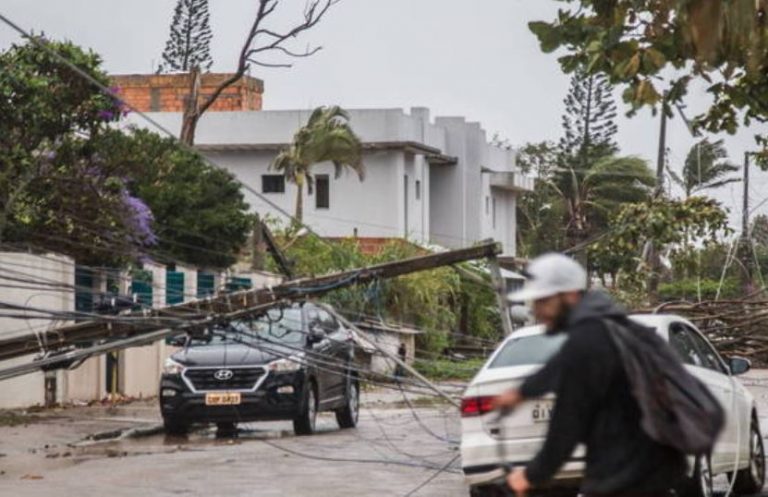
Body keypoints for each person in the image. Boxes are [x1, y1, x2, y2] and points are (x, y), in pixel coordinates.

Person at [494, 253, 686, 497]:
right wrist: (522, 392)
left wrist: (529, 476)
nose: (538, 311)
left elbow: (567, 425)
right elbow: (562, 364)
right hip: (655, 473)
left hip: (624, 475)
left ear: (570, 295)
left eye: (543, 301)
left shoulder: (588, 341)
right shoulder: (611, 327)